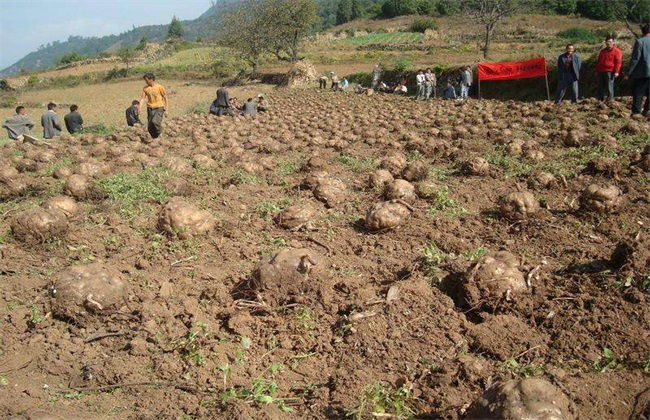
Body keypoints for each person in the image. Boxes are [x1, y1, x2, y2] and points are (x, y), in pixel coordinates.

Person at [628, 23, 650, 116]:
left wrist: (629, 71)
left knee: (638, 92)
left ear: (642, 31)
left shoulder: (640, 42)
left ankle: (636, 112)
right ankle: (648, 110)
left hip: (642, 72)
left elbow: (635, 58)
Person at [138, 72, 168, 139]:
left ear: (151, 79)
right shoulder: (145, 88)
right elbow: (142, 98)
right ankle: (155, 139)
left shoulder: (160, 87)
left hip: (159, 107)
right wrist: (139, 108)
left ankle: (161, 135)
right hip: (150, 108)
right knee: (150, 127)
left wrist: (167, 109)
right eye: (145, 80)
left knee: (155, 121)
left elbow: (166, 98)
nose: (145, 81)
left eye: (146, 80)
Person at [595, 36, 623, 103]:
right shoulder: (602, 51)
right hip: (601, 71)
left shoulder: (617, 51)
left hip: (610, 71)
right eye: (607, 42)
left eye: (610, 42)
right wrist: (597, 70)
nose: (608, 43)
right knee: (600, 86)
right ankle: (599, 100)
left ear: (613, 42)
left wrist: (616, 71)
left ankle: (609, 100)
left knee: (609, 86)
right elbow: (599, 61)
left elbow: (618, 62)